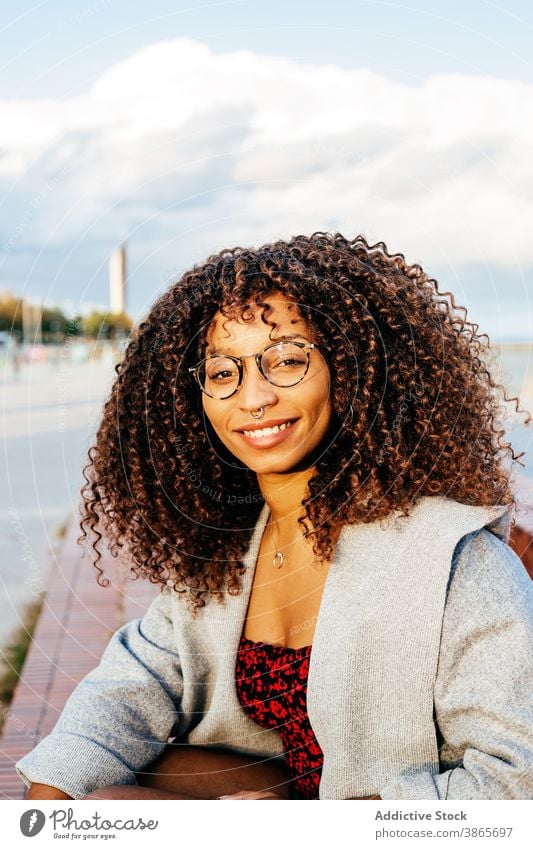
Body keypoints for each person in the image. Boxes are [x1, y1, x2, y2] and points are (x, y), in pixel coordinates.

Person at [17, 232, 533, 801]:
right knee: (93, 795)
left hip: (390, 826)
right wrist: (53, 788)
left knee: (114, 803)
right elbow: (130, 683)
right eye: (222, 372)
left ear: (354, 370)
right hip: (278, 793)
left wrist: (310, 827)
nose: (253, 398)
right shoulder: (223, 553)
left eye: (287, 360)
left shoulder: (460, 561)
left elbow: (514, 781)